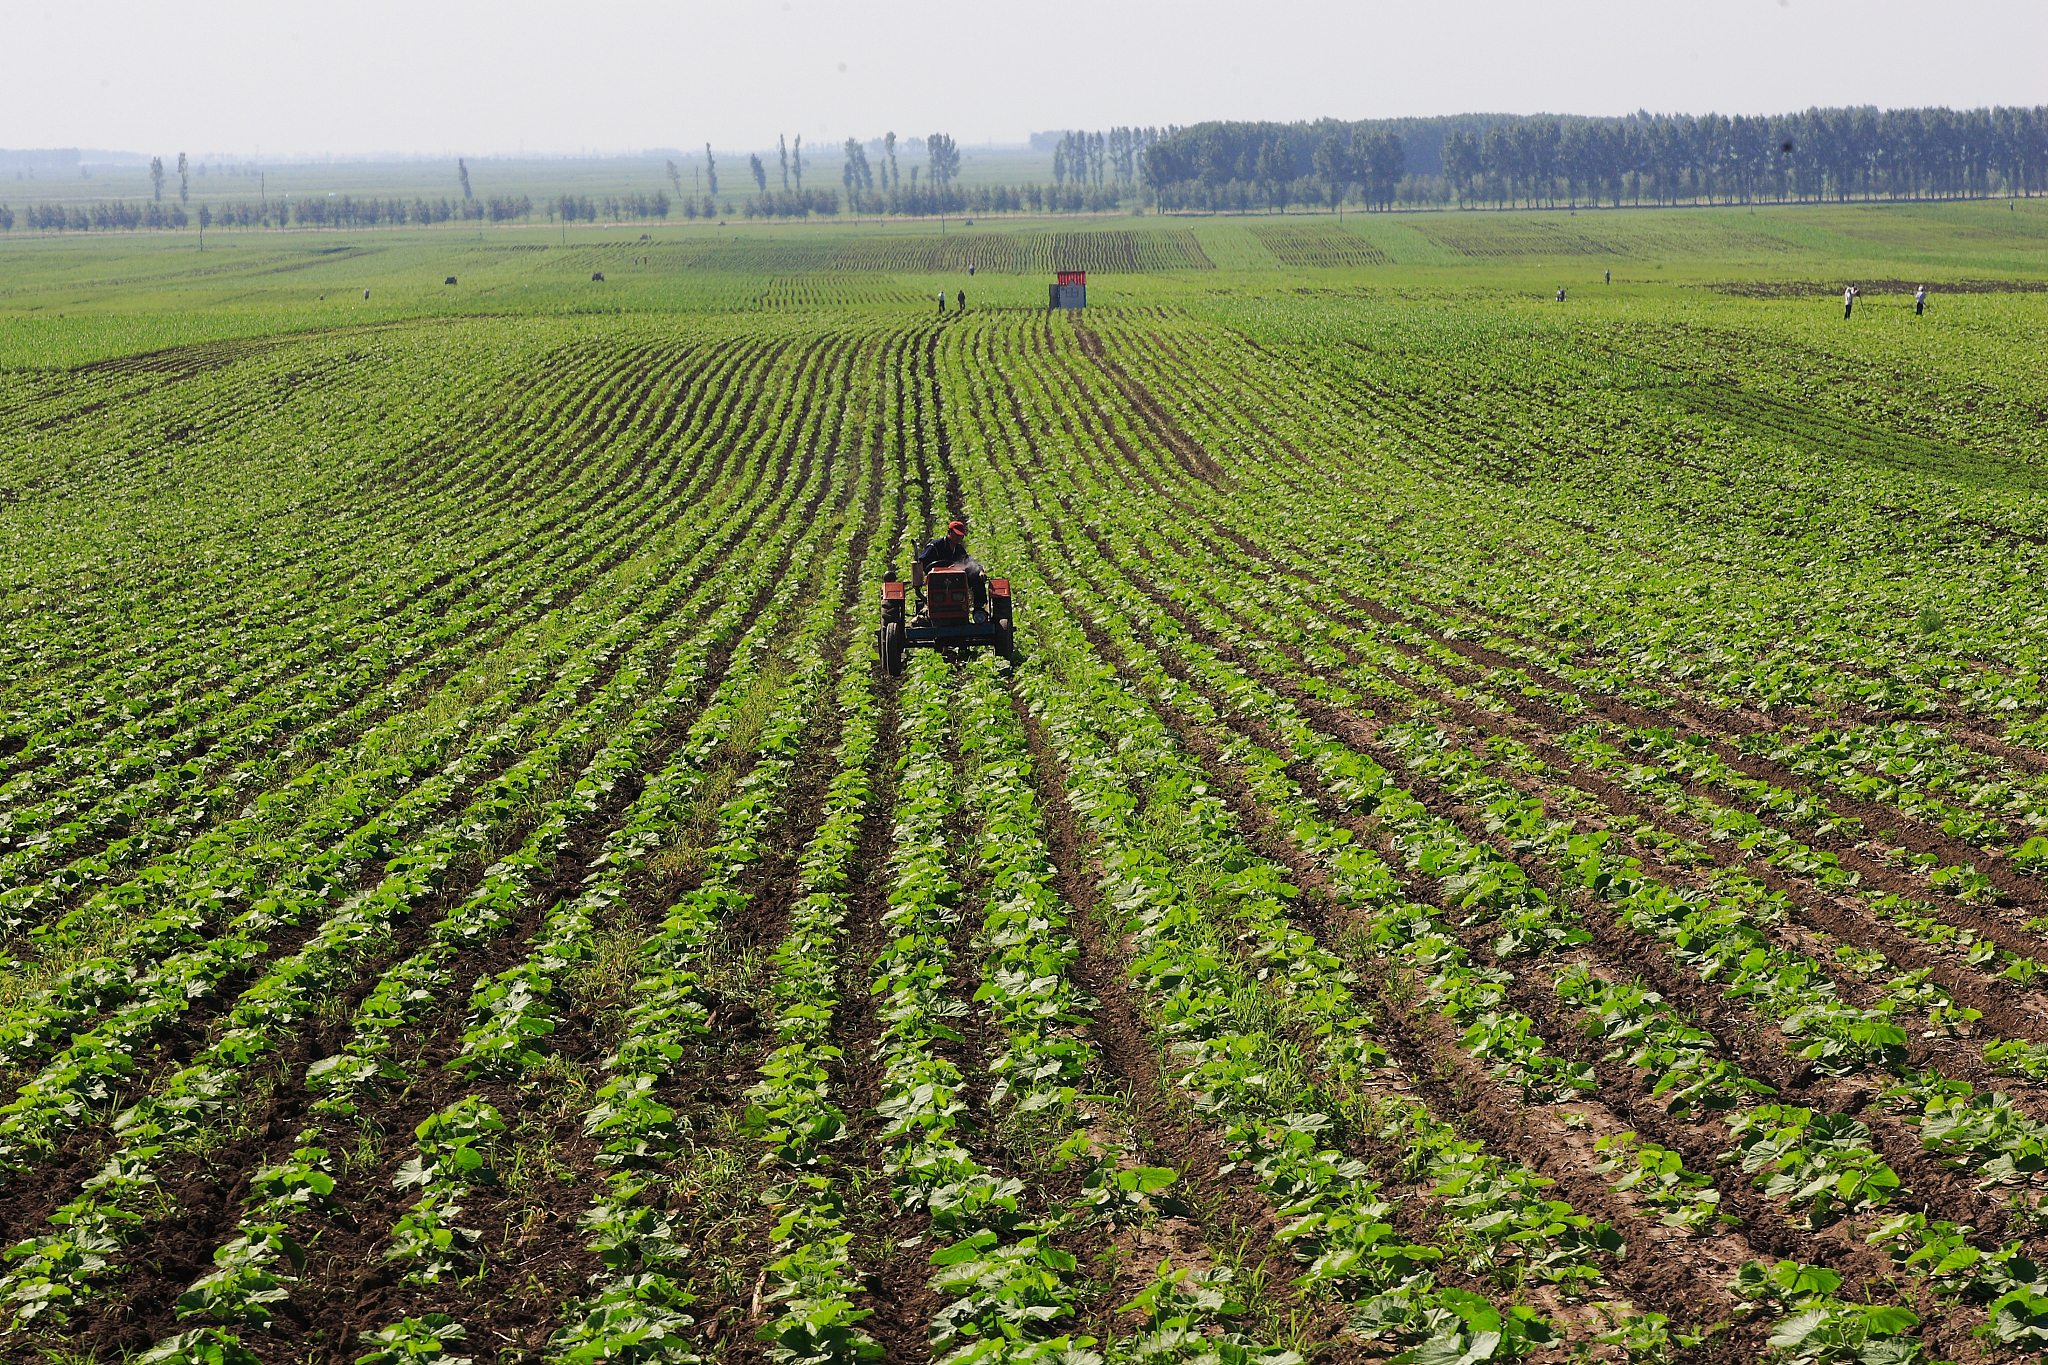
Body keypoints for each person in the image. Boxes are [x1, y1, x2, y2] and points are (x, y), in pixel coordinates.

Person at [915, 519, 987, 618]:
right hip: (937, 581)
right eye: (957, 534)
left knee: (976, 576)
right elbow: (922, 561)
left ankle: (978, 609)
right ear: (949, 532)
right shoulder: (935, 546)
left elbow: (969, 561)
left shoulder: (959, 549)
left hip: (956, 580)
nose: (959, 537)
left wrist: (980, 571)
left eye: (961, 535)